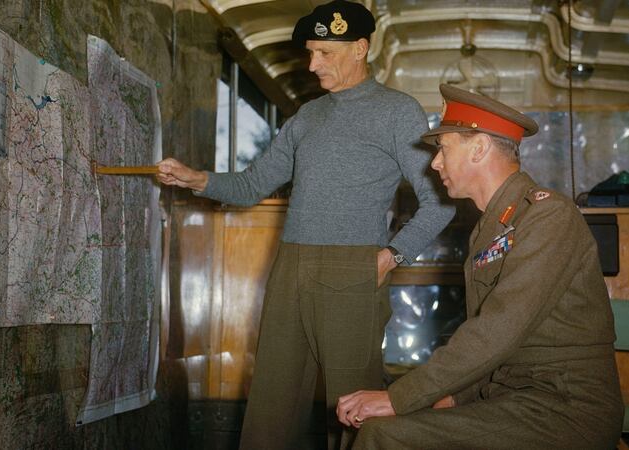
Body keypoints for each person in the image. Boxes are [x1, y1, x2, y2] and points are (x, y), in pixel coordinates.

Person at [157, 1, 454, 448]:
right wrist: (196, 178)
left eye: (324, 53)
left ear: (360, 48)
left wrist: (392, 255)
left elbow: (440, 201)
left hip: (352, 270)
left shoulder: (398, 112)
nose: (313, 65)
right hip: (290, 267)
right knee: (271, 406)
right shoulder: (307, 117)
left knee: (355, 411)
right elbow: (252, 184)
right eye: (311, 52)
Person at [336, 84, 624, 449]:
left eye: (443, 148)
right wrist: (451, 397)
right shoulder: (490, 229)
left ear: (479, 148)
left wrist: (399, 398)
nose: (435, 163)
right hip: (510, 396)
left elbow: (497, 330)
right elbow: (488, 341)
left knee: (383, 433)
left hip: (564, 407)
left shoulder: (549, 217)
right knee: (375, 423)